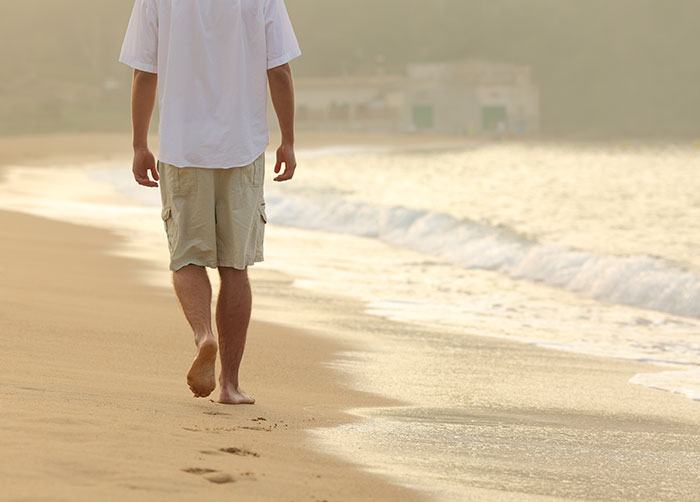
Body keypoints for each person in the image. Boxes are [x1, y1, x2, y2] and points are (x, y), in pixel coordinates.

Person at [119, 0, 301, 404]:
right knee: (235, 267)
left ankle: (204, 335)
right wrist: (288, 139)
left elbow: (144, 72)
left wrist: (138, 144)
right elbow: (280, 70)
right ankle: (230, 385)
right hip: (241, 145)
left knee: (186, 258)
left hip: (182, 147)